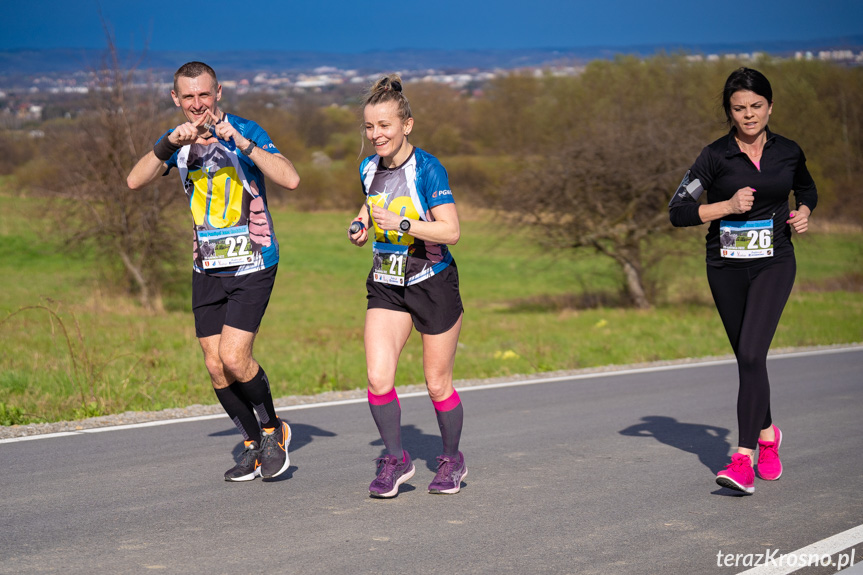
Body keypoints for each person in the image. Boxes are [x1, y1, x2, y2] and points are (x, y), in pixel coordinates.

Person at [127, 62, 300, 482]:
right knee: (214, 364)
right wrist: (167, 143)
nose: (197, 104)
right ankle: (251, 443)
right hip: (206, 265)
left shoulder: (244, 129)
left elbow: (290, 178)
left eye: (204, 95)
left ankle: (275, 431)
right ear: (176, 99)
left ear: (218, 92)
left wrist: (239, 140)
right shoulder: (178, 141)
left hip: (253, 261)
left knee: (235, 357)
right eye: (188, 97)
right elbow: (134, 181)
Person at [669, 67, 817, 495]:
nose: (749, 115)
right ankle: (769, 435)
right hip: (725, 267)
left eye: (756, 106)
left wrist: (804, 211)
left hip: (774, 262)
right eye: (739, 109)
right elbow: (678, 210)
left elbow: (807, 189)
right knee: (748, 360)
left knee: (752, 352)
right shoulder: (714, 157)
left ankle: (743, 458)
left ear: (770, 107)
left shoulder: (789, 151)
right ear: (729, 112)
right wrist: (726, 205)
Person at [348, 74, 467, 498]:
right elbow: (371, 200)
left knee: (437, 384)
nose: (376, 134)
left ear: (406, 125)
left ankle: (451, 459)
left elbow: (450, 231)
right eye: (369, 126)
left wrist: (402, 224)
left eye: (384, 126)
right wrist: (362, 223)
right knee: (379, 378)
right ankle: (396, 460)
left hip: (432, 282)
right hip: (386, 282)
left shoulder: (428, 168)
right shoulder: (367, 167)